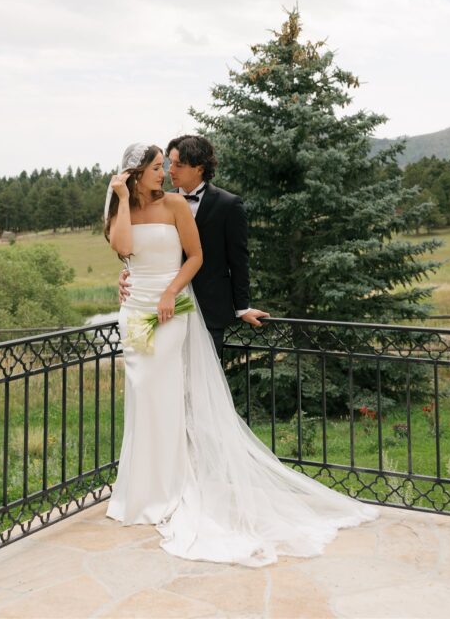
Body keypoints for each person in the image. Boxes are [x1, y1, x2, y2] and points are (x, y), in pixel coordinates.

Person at [105, 141, 378, 567]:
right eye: (159, 167)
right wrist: (121, 200)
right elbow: (122, 250)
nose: (166, 172)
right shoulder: (121, 207)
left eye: (170, 165)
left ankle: (177, 484)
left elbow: (201, 257)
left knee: (169, 397)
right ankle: (140, 490)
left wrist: (180, 294)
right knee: (143, 397)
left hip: (173, 310)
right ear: (135, 173)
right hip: (135, 311)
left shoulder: (178, 206)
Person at [119, 134, 269, 354]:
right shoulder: (160, 202)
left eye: (178, 165)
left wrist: (242, 307)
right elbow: (147, 246)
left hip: (209, 309)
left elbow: (239, 259)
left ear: (199, 168)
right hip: (163, 308)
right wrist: (127, 274)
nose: (170, 170)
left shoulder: (228, 204)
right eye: (169, 163)